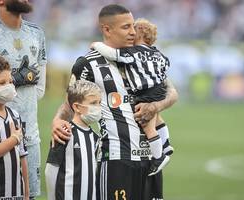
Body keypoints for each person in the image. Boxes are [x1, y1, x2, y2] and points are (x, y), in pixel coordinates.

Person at [52, 4, 178, 200]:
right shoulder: (87, 64)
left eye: (133, 26)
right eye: (126, 27)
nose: (133, 32)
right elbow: (69, 104)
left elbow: (172, 94)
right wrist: (57, 120)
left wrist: (155, 106)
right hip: (117, 160)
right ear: (107, 29)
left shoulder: (143, 58)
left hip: (152, 159)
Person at [90, 18, 174, 169]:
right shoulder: (158, 54)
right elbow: (166, 65)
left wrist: (96, 45)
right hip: (159, 88)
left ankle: (158, 157)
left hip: (145, 91)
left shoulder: (133, 53)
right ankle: (166, 144)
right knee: (157, 117)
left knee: (147, 124)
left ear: (140, 33)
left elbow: (112, 53)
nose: (131, 33)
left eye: (134, 30)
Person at [0, 0, 47, 199]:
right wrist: (16, 80)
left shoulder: (37, 33)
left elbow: (39, 89)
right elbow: (27, 81)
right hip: (0, 134)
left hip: (29, 135)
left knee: (29, 195)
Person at [45, 80, 101, 200]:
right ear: (77, 107)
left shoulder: (96, 137)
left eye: (99, 103)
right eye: (93, 103)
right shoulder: (64, 132)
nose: (98, 107)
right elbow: (51, 170)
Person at [0, 55, 29, 200]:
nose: (8, 86)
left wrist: (26, 194)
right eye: (1, 83)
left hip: (16, 194)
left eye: (10, 81)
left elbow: (22, 157)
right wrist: (14, 139)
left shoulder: (15, 116)